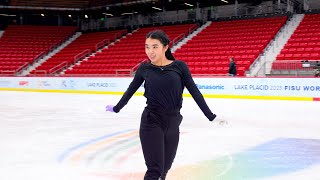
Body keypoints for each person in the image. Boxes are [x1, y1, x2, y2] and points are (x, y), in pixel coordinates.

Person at [105, 29, 216, 180]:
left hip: (173, 122)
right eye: (147, 47)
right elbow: (130, 90)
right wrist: (117, 108)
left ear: (165, 47)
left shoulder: (180, 67)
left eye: (155, 46)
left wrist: (211, 116)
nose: (150, 51)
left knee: (164, 169)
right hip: (151, 120)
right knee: (155, 170)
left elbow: (195, 92)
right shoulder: (144, 68)